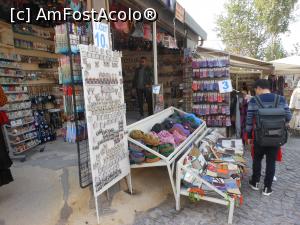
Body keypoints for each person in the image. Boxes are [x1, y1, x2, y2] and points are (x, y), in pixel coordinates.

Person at [246, 79, 291, 196]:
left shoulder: (254, 100)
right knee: (271, 162)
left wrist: (249, 135)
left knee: (257, 159)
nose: (255, 92)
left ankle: (255, 182)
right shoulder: (280, 99)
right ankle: (267, 188)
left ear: (259, 88)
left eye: (255, 90)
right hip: (276, 137)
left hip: (259, 136)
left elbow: (249, 120)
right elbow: (288, 116)